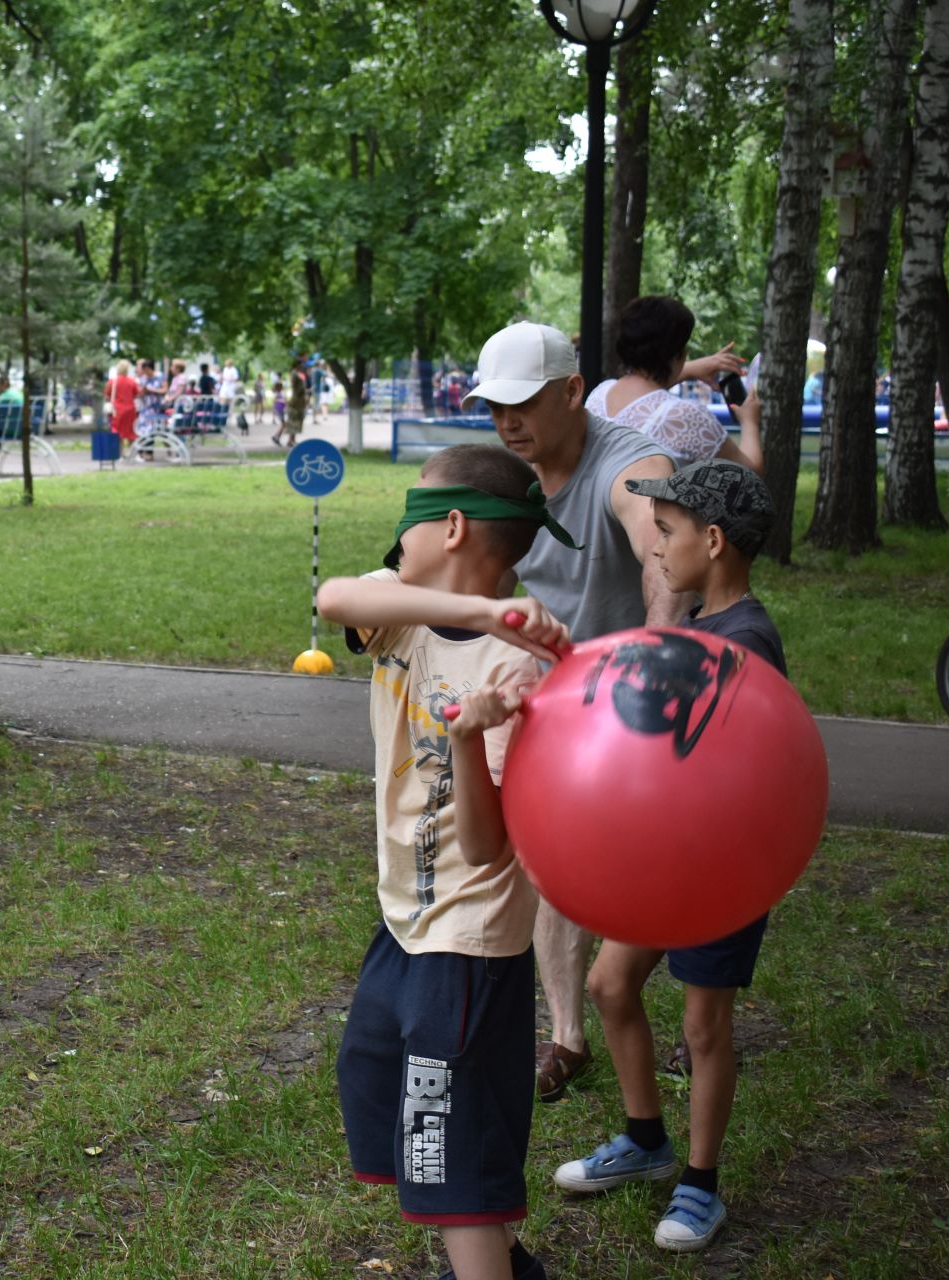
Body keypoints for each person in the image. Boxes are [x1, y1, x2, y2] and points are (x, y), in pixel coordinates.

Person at [317, 443, 581, 1280]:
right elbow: (331, 597)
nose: (395, 542)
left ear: (452, 526)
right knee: (379, 1081)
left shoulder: (514, 665)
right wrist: (483, 611)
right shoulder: (399, 608)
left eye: (410, 521)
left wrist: (470, 732)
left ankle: (484, 1261)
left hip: (463, 942)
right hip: (406, 920)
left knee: (446, 1155)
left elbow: (487, 843)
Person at [551, 459, 783, 1254]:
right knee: (610, 984)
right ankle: (645, 1140)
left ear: (713, 542)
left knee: (705, 1024)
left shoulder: (744, 642)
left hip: (724, 869)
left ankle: (700, 1185)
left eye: (670, 528)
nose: (655, 542)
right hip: (670, 863)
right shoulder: (700, 631)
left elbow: (732, 766)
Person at [464, 320, 686, 1102]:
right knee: (547, 860)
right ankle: (566, 1036)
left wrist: (661, 651)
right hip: (549, 697)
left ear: (570, 393)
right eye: (494, 407)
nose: (506, 422)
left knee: (654, 866)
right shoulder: (503, 473)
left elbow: (658, 537)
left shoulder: (625, 462)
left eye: (522, 404)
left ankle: (692, 1014)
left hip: (633, 701)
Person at [587, 296, 761, 470]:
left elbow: (645, 395)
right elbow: (750, 473)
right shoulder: (685, 416)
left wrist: (690, 369)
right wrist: (749, 421)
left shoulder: (599, 395)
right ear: (679, 353)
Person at [273, 355, 308, 448]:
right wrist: (303, 391)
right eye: (301, 364)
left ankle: (290, 439)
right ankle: (289, 440)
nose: (302, 366)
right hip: (295, 402)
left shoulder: (298, 374)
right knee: (293, 422)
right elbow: (296, 389)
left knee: (295, 422)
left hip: (299, 402)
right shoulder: (294, 374)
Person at [105, 361, 140, 447]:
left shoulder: (112, 382)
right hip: (130, 410)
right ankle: (133, 453)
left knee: (117, 432)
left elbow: (107, 394)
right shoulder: (132, 381)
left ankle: (120, 453)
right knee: (131, 432)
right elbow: (137, 394)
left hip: (117, 410)